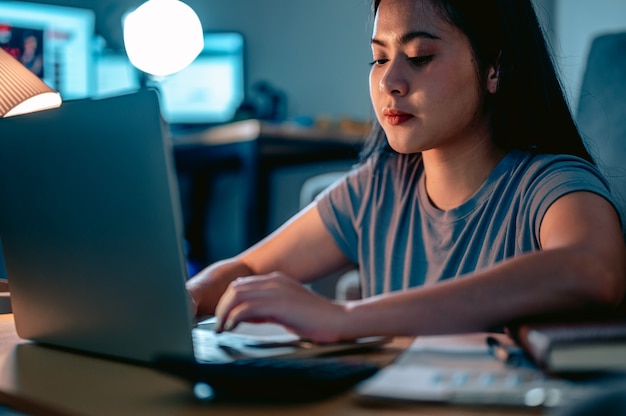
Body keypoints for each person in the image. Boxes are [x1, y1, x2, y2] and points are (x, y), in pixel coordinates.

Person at [186, 0, 626, 343]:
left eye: (419, 56)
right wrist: (186, 298)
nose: (390, 81)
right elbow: (246, 265)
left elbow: (591, 270)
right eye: (379, 58)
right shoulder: (377, 189)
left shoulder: (552, 185)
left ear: (496, 68)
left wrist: (343, 318)